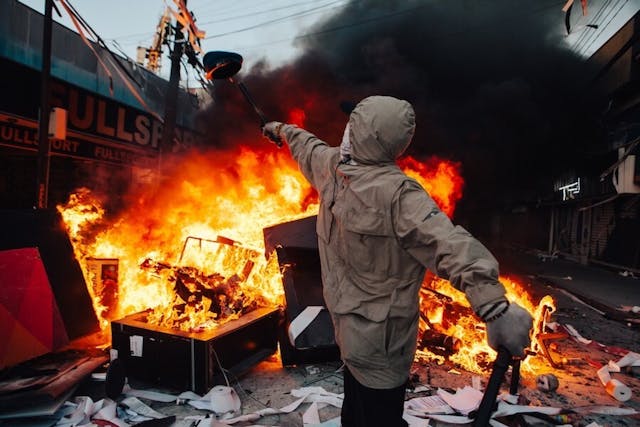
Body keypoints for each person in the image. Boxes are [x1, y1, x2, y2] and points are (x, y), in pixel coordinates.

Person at [262, 95, 533, 427]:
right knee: (353, 417)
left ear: (366, 136)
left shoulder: (401, 197)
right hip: (349, 339)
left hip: (382, 352)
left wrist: (494, 307)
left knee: (379, 419)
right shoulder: (333, 168)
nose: (346, 131)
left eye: (353, 125)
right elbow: (307, 145)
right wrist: (282, 130)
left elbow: (451, 245)